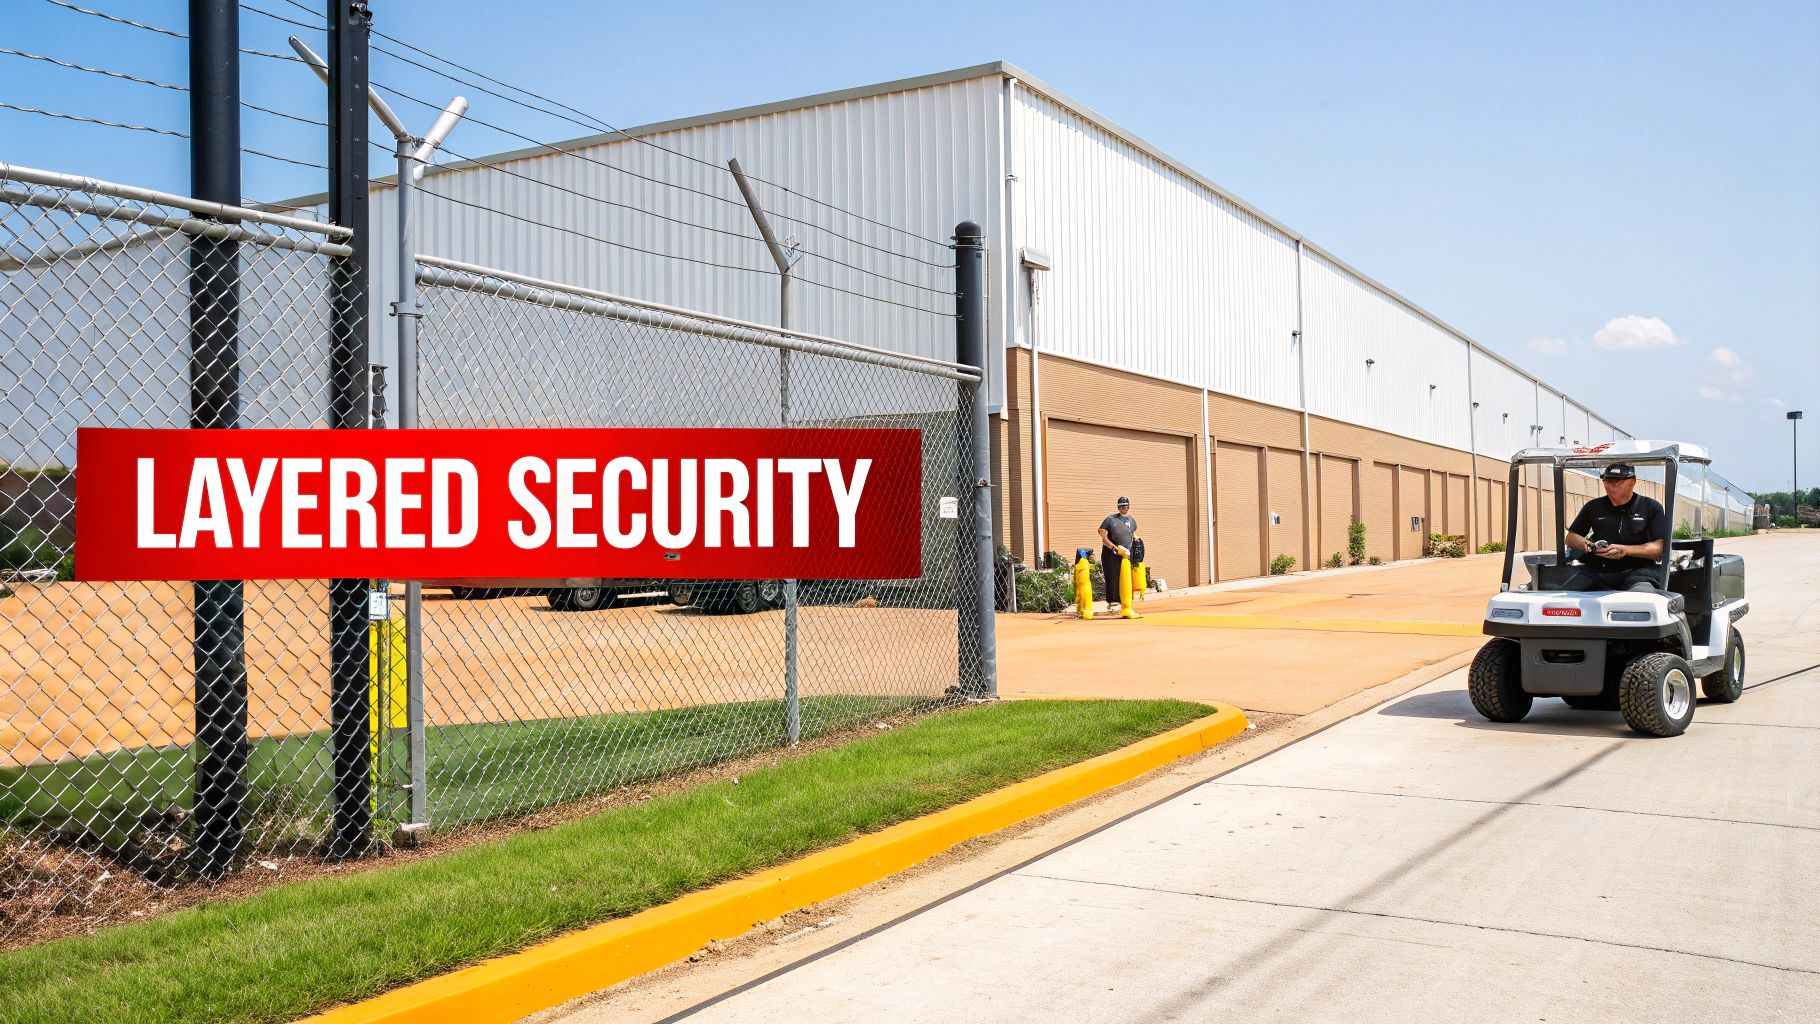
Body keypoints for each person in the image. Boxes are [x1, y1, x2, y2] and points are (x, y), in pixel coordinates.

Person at [1563, 463, 1669, 591]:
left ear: (1632, 482)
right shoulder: (1593, 507)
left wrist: (1625, 550)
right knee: (1567, 594)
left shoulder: (1651, 507)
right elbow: (1571, 537)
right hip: (1598, 571)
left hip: (1639, 572)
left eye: (1616, 482)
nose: (1609, 486)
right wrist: (1591, 546)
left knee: (1641, 596)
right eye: (1606, 481)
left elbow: (1658, 548)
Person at [1098, 496, 1138, 610]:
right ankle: (1113, 601)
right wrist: (1113, 547)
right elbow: (1102, 532)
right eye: (1121, 506)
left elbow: (1132, 534)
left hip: (1125, 554)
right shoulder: (1111, 519)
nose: (1123, 508)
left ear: (1128, 507)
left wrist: (1137, 544)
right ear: (1118, 507)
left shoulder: (1131, 520)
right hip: (1111, 554)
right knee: (1112, 576)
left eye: (1125, 506)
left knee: (1124, 576)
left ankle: (1123, 599)